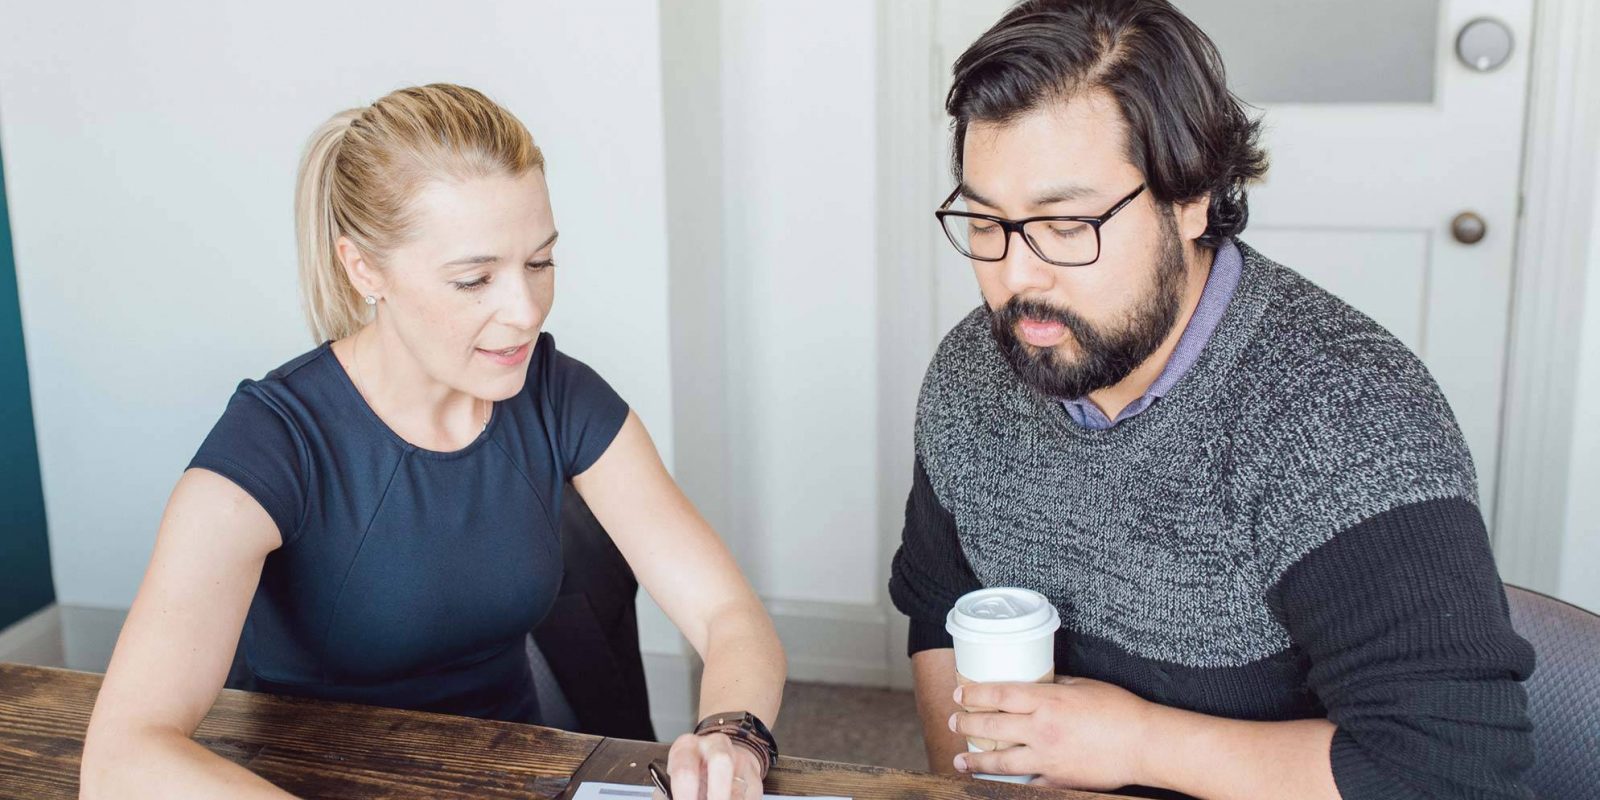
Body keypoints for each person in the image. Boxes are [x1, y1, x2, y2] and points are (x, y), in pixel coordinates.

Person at [887, 2, 1535, 798]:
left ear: (1192, 196)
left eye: (1065, 224)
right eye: (987, 222)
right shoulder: (974, 371)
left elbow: (1453, 771)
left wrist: (1138, 745)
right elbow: (939, 610)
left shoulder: (1340, 414)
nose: (1017, 277)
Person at [80, 84, 785, 800]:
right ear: (364, 269)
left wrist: (735, 735)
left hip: (504, 778)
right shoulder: (273, 445)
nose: (524, 311)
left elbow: (727, 614)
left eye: (539, 263)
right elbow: (121, 759)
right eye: (474, 279)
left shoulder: (558, 395)